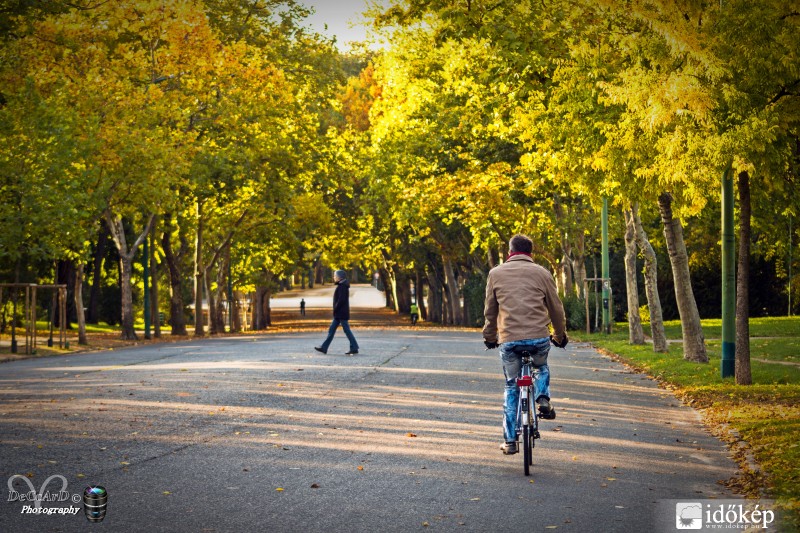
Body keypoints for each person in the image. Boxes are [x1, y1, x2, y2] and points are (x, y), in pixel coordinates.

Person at [483, 234, 568, 455]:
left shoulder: (495, 273)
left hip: (509, 340)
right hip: (539, 338)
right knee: (540, 367)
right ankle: (542, 397)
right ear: (530, 253)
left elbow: (490, 312)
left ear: (509, 252)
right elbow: (556, 309)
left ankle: (510, 441)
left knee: (512, 385)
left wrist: (490, 337)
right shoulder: (542, 273)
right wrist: (560, 335)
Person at [315, 270, 359, 355]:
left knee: (346, 330)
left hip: (341, 313)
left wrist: (335, 308)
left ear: (339, 277)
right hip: (339, 313)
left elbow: (341, 300)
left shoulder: (342, 286)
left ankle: (354, 347)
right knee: (332, 330)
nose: (334, 277)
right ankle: (324, 348)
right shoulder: (342, 285)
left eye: (335, 276)